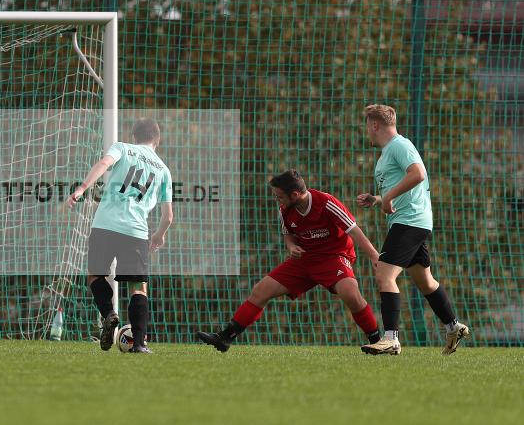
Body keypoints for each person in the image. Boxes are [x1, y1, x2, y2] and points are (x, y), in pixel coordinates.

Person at [197, 170, 382, 353]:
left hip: (333, 257)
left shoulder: (326, 203)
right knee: (261, 291)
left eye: (280, 197)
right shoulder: (285, 209)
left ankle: (378, 341)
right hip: (304, 259)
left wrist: (374, 256)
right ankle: (225, 337)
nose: (278, 201)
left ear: (295, 194)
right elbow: (288, 234)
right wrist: (292, 247)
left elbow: (354, 230)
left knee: (350, 294)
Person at [356, 104, 470, 355]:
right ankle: (453, 326)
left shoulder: (399, 145)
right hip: (412, 220)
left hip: (410, 221)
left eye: (367, 125)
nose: (367, 130)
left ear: (375, 125)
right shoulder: (387, 152)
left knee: (384, 276)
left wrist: (388, 198)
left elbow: (418, 174)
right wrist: (378, 199)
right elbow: (401, 184)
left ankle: (391, 339)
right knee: (425, 281)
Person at [65, 118, 173, 354]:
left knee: (95, 276)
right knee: (138, 287)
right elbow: (168, 217)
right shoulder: (164, 170)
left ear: (134, 137)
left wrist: (82, 188)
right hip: (135, 232)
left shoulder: (123, 148)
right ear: (157, 140)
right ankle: (140, 345)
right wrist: (159, 235)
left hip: (104, 225)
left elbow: (104, 163)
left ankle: (109, 314)